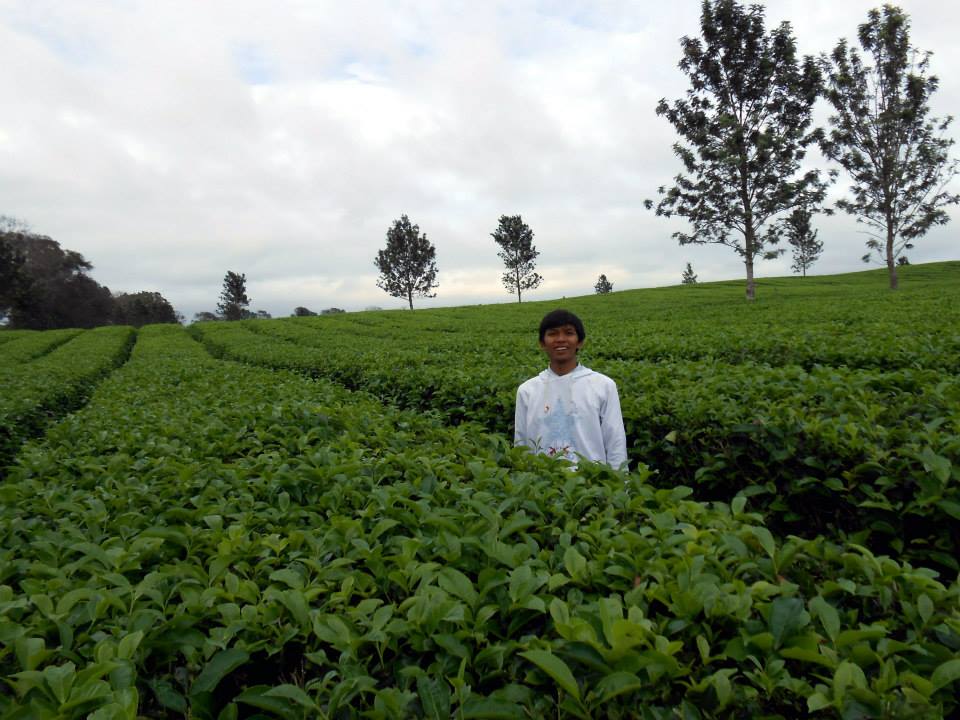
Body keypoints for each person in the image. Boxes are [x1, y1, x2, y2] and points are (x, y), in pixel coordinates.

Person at [514, 309, 628, 469]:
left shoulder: (603, 386)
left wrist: (620, 487)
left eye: (569, 333)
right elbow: (521, 445)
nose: (561, 339)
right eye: (552, 334)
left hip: (592, 484)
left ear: (580, 341)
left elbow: (615, 442)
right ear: (542, 343)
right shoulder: (527, 391)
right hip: (542, 485)